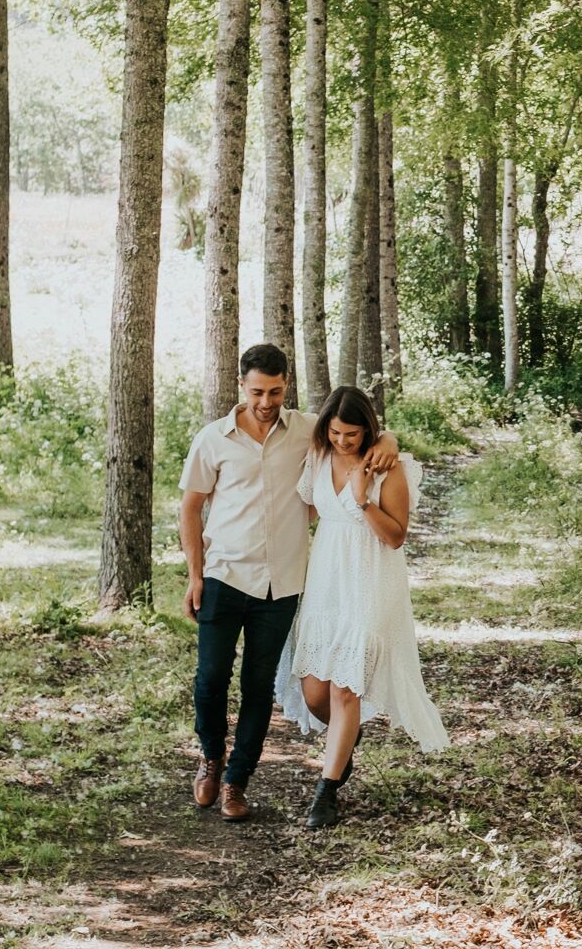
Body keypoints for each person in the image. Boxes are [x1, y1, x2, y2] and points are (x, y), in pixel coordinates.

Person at [180, 344, 400, 821]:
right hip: (223, 575)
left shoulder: (307, 432)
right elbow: (191, 507)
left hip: (282, 584)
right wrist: (195, 576)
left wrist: (390, 442)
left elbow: (362, 434)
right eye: (258, 391)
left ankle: (237, 782)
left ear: (287, 386)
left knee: (260, 687)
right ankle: (211, 759)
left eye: (276, 391)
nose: (266, 401)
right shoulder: (212, 439)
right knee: (211, 678)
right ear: (241, 385)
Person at [276, 385, 449, 830]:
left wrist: (361, 499)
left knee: (345, 688)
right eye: (335, 432)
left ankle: (326, 793)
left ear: (368, 430)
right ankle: (344, 737)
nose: (343, 442)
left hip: (370, 580)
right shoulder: (317, 457)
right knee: (316, 693)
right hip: (326, 581)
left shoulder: (389, 467)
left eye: (352, 434)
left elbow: (395, 536)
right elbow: (309, 511)